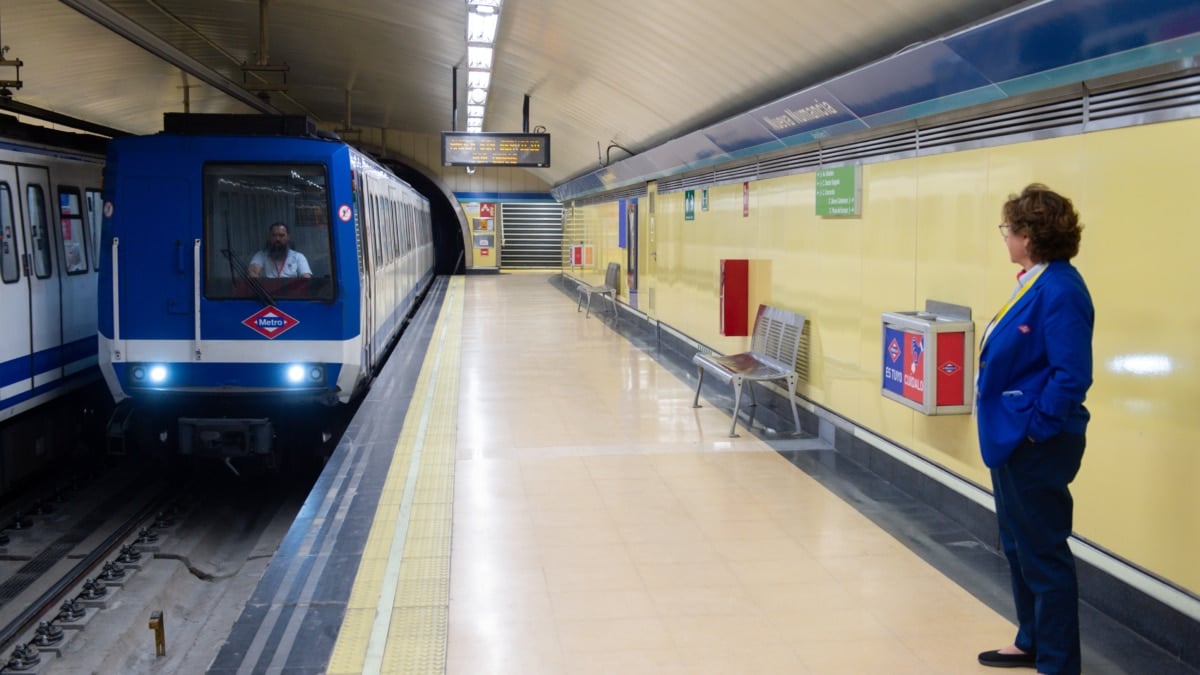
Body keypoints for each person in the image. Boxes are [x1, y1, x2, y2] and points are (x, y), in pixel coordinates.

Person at [975, 184, 1094, 674]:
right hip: (1012, 437)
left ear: (1029, 235)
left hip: (1036, 441)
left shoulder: (1062, 290)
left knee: (1043, 552)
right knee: (1018, 543)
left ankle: (1059, 663)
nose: (1005, 238)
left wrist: (1035, 430)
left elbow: (1072, 374)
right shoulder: (1034, 280)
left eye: (1009, 230)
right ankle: (1032, 639)